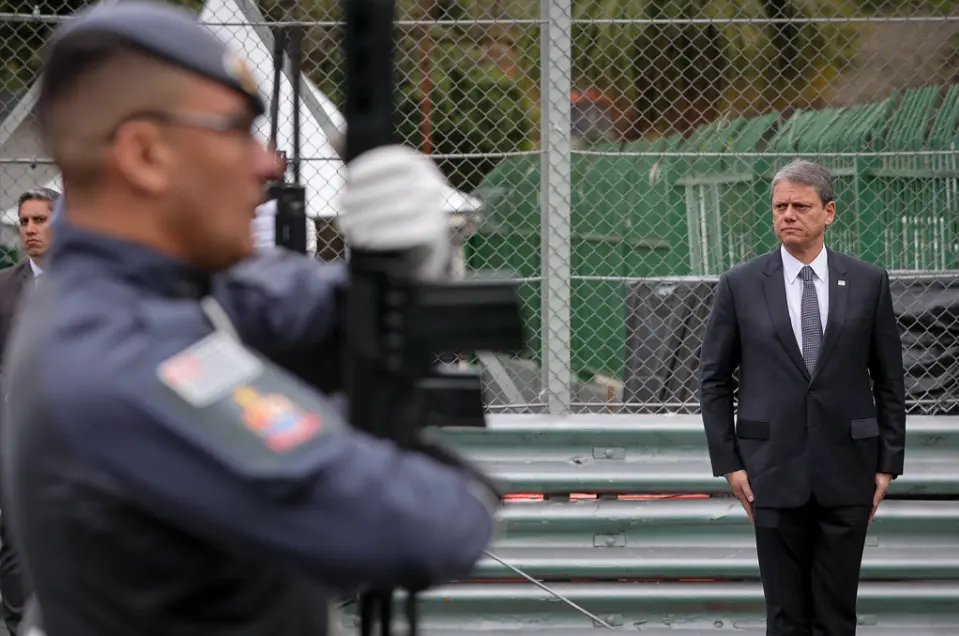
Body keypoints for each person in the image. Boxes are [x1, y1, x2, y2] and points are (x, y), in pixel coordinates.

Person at [0, 3, 498, 636]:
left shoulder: (128, 291)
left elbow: (299, 302)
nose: (269, 165)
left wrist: (408, 256)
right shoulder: (128, 363)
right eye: (237, 130)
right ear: (146, 153)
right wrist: (441, 472)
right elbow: (428, 526)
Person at [699, 159, 906, 636]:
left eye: (801, 206)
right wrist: (730, 463)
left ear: (829, 212)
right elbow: (713, 380)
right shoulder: (741, 284)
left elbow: (890, 380)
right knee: (786, 616)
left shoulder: (868, 282)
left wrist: (886, 463)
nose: (788, 215)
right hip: (770, 471)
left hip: (848, 470)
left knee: (836, 616)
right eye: (780, 207)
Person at [0, 186, 60, 636]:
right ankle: (22, 621)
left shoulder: (90, 284)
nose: (30, 230)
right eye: (24, 222)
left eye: (40, 220)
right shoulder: (4, 289)